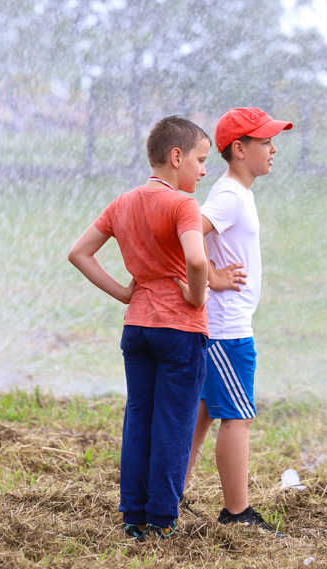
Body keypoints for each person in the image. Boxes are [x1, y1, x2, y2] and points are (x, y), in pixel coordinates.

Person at [68, 115, 211, 541]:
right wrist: (198, 298)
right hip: (180, 330)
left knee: (139, 420)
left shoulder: (122, 202)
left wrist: (124, 293)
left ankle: (134, 516)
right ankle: (163, 519)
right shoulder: (183, 204)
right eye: (201, 160)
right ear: (176, 156)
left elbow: (79, 253)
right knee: (175, 423)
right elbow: (198, 261)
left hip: (138, 328)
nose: (204, 171)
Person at [183, 107, 292, 536]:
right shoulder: (229, 196)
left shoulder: (238, 194)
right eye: (265, 142)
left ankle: (168, 494)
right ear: (240, 149)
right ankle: (237, 513)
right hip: (228, 332)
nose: (273, 148)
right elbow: (184, 232)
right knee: (238, 417)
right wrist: (212, 276)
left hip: (222, 328)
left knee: (203, 412)